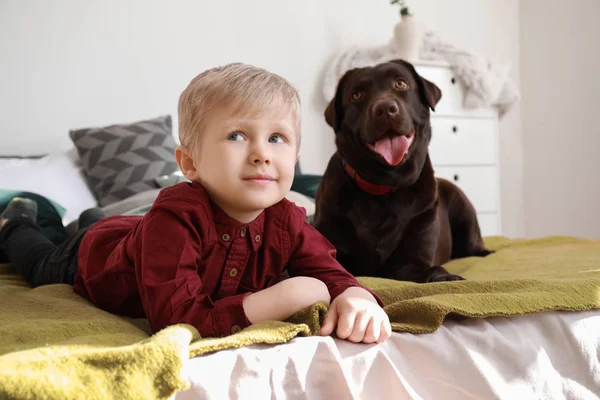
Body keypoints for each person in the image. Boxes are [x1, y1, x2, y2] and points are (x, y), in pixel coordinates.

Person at [0, 63, 391, 343]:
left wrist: (354, 296)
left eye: (277, 138)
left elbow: (330, 271)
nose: (262, 154)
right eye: (237, 136)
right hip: (91, 257)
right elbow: (175, 318)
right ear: (190, 163)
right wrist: (278, 299)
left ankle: (90, 216)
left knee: (99, 221)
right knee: (40, 260)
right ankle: (19, 216)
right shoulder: (176, 216)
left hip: (130, 230)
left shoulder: (287, 219)